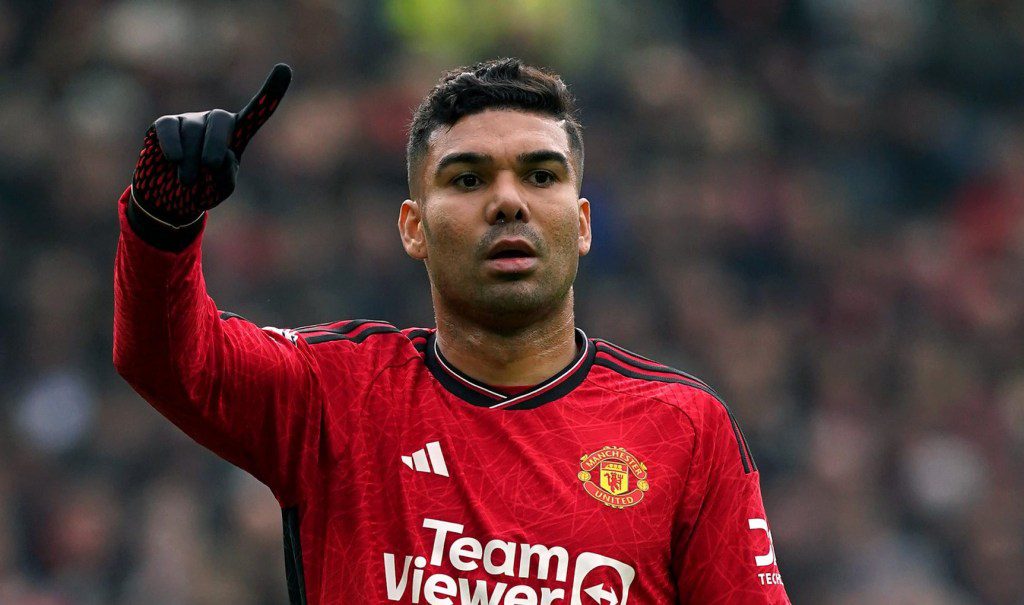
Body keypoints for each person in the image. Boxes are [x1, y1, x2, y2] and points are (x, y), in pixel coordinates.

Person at [113, 58, 791, 605]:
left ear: (582, 222)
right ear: (414, 227)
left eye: (541, 174)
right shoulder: (337, 393)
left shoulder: (683, 427)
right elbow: (170, 359)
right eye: (467, 178)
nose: (507, 200)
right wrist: (161, 224)